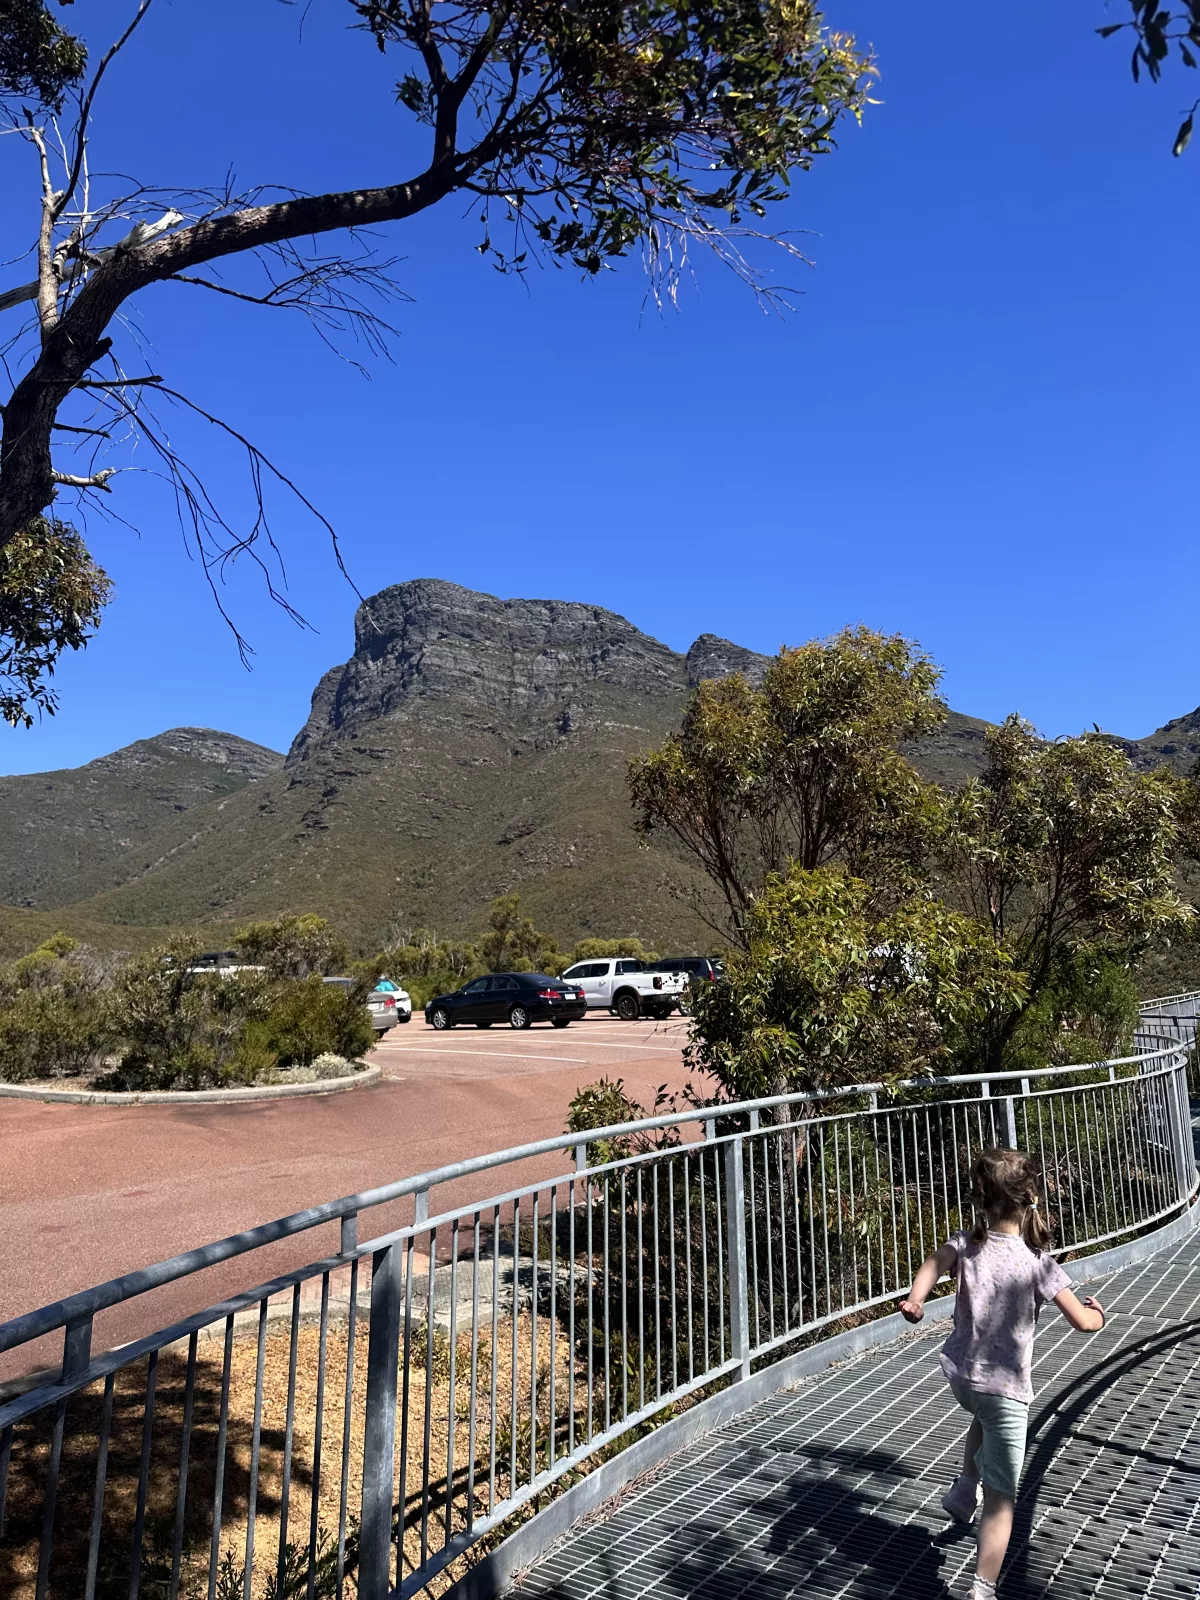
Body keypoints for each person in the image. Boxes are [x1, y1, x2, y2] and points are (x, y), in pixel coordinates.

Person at [898, 1147, 1105, 1600]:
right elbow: (1084, 1323)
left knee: (983, 1416)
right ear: (1029, 1197)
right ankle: (982, 1588)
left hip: (963, 1380)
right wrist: (1099, 1315)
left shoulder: (967, 1243)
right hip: (1006, 1390)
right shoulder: (1038, 1263)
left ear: (983, 1199)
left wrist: (916, 1300)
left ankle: (963, 1487)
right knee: (1002, 1499)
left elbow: (934, 1264)